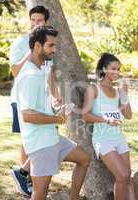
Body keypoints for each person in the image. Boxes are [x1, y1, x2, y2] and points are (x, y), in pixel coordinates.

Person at [16, 26, 90, 200]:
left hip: (52, 138)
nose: (54, 50)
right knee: (40, 193)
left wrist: (57, 109)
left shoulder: (39, 71)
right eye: (51, 46)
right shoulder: (30, 76)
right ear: (37, 46)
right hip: (41, 144)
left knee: (84, 159)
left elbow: (38, 108)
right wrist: (58, 118)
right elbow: (27, 115)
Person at [9, 5, 60, 197]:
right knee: (28, 140)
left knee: (47, 134)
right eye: (33, 20)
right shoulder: (20, 43)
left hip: (43, 99)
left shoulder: (48, 42)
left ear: (46, 22)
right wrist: (29, 52)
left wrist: (56, 96)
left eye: (40, 21)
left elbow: (50, 73)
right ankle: (27, 180)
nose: (36, 23)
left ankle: (27, 174)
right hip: (23, 99)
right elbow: (15, 71)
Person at [82, 53, 136, 200]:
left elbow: (129, 115)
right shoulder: (93, 89)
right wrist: (106, 120)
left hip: (118, 138)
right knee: (122, 175)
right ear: (104, 69)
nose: (117, 72)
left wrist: (125, 95)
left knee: (127, 177)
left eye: (119, 69)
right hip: (102, 139)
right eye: (113, 68)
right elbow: (85, 115)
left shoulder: (118, 91)